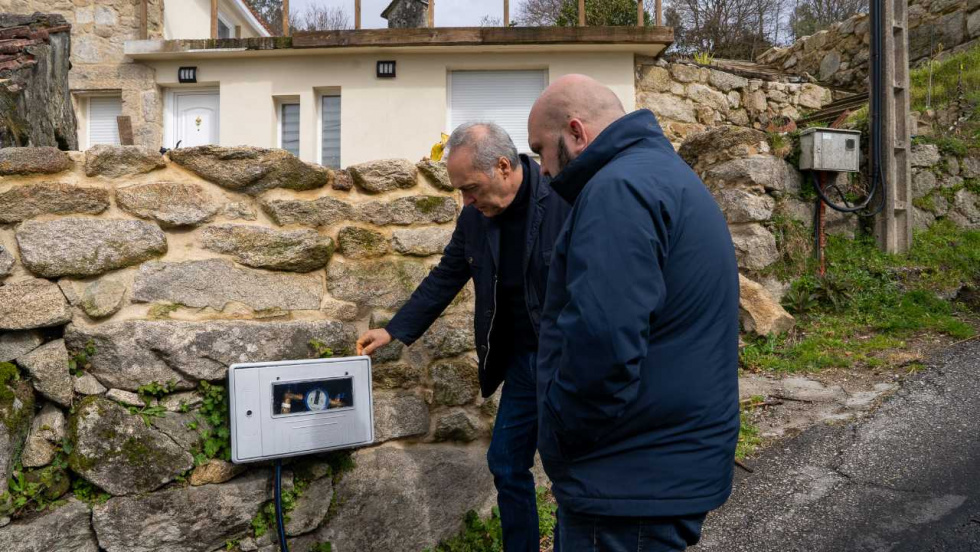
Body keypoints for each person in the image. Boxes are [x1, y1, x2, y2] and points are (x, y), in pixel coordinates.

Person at [527, 74, 741, 551]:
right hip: (654, 467)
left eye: (540, 148)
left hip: (626, 481)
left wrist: (560, 432)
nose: (540, 169)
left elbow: (603, 342)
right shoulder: (663, 174)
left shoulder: (618, 190)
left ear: (577, 132)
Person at [356, 122, 571, 552]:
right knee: (507, 464)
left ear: (505, 167)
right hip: (524, 364)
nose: (466, 201)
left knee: (569, 471)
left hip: (569, 361)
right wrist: (395, 329)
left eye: (470, 188)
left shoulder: (564, 198)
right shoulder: (475, 217)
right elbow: (448, 275)